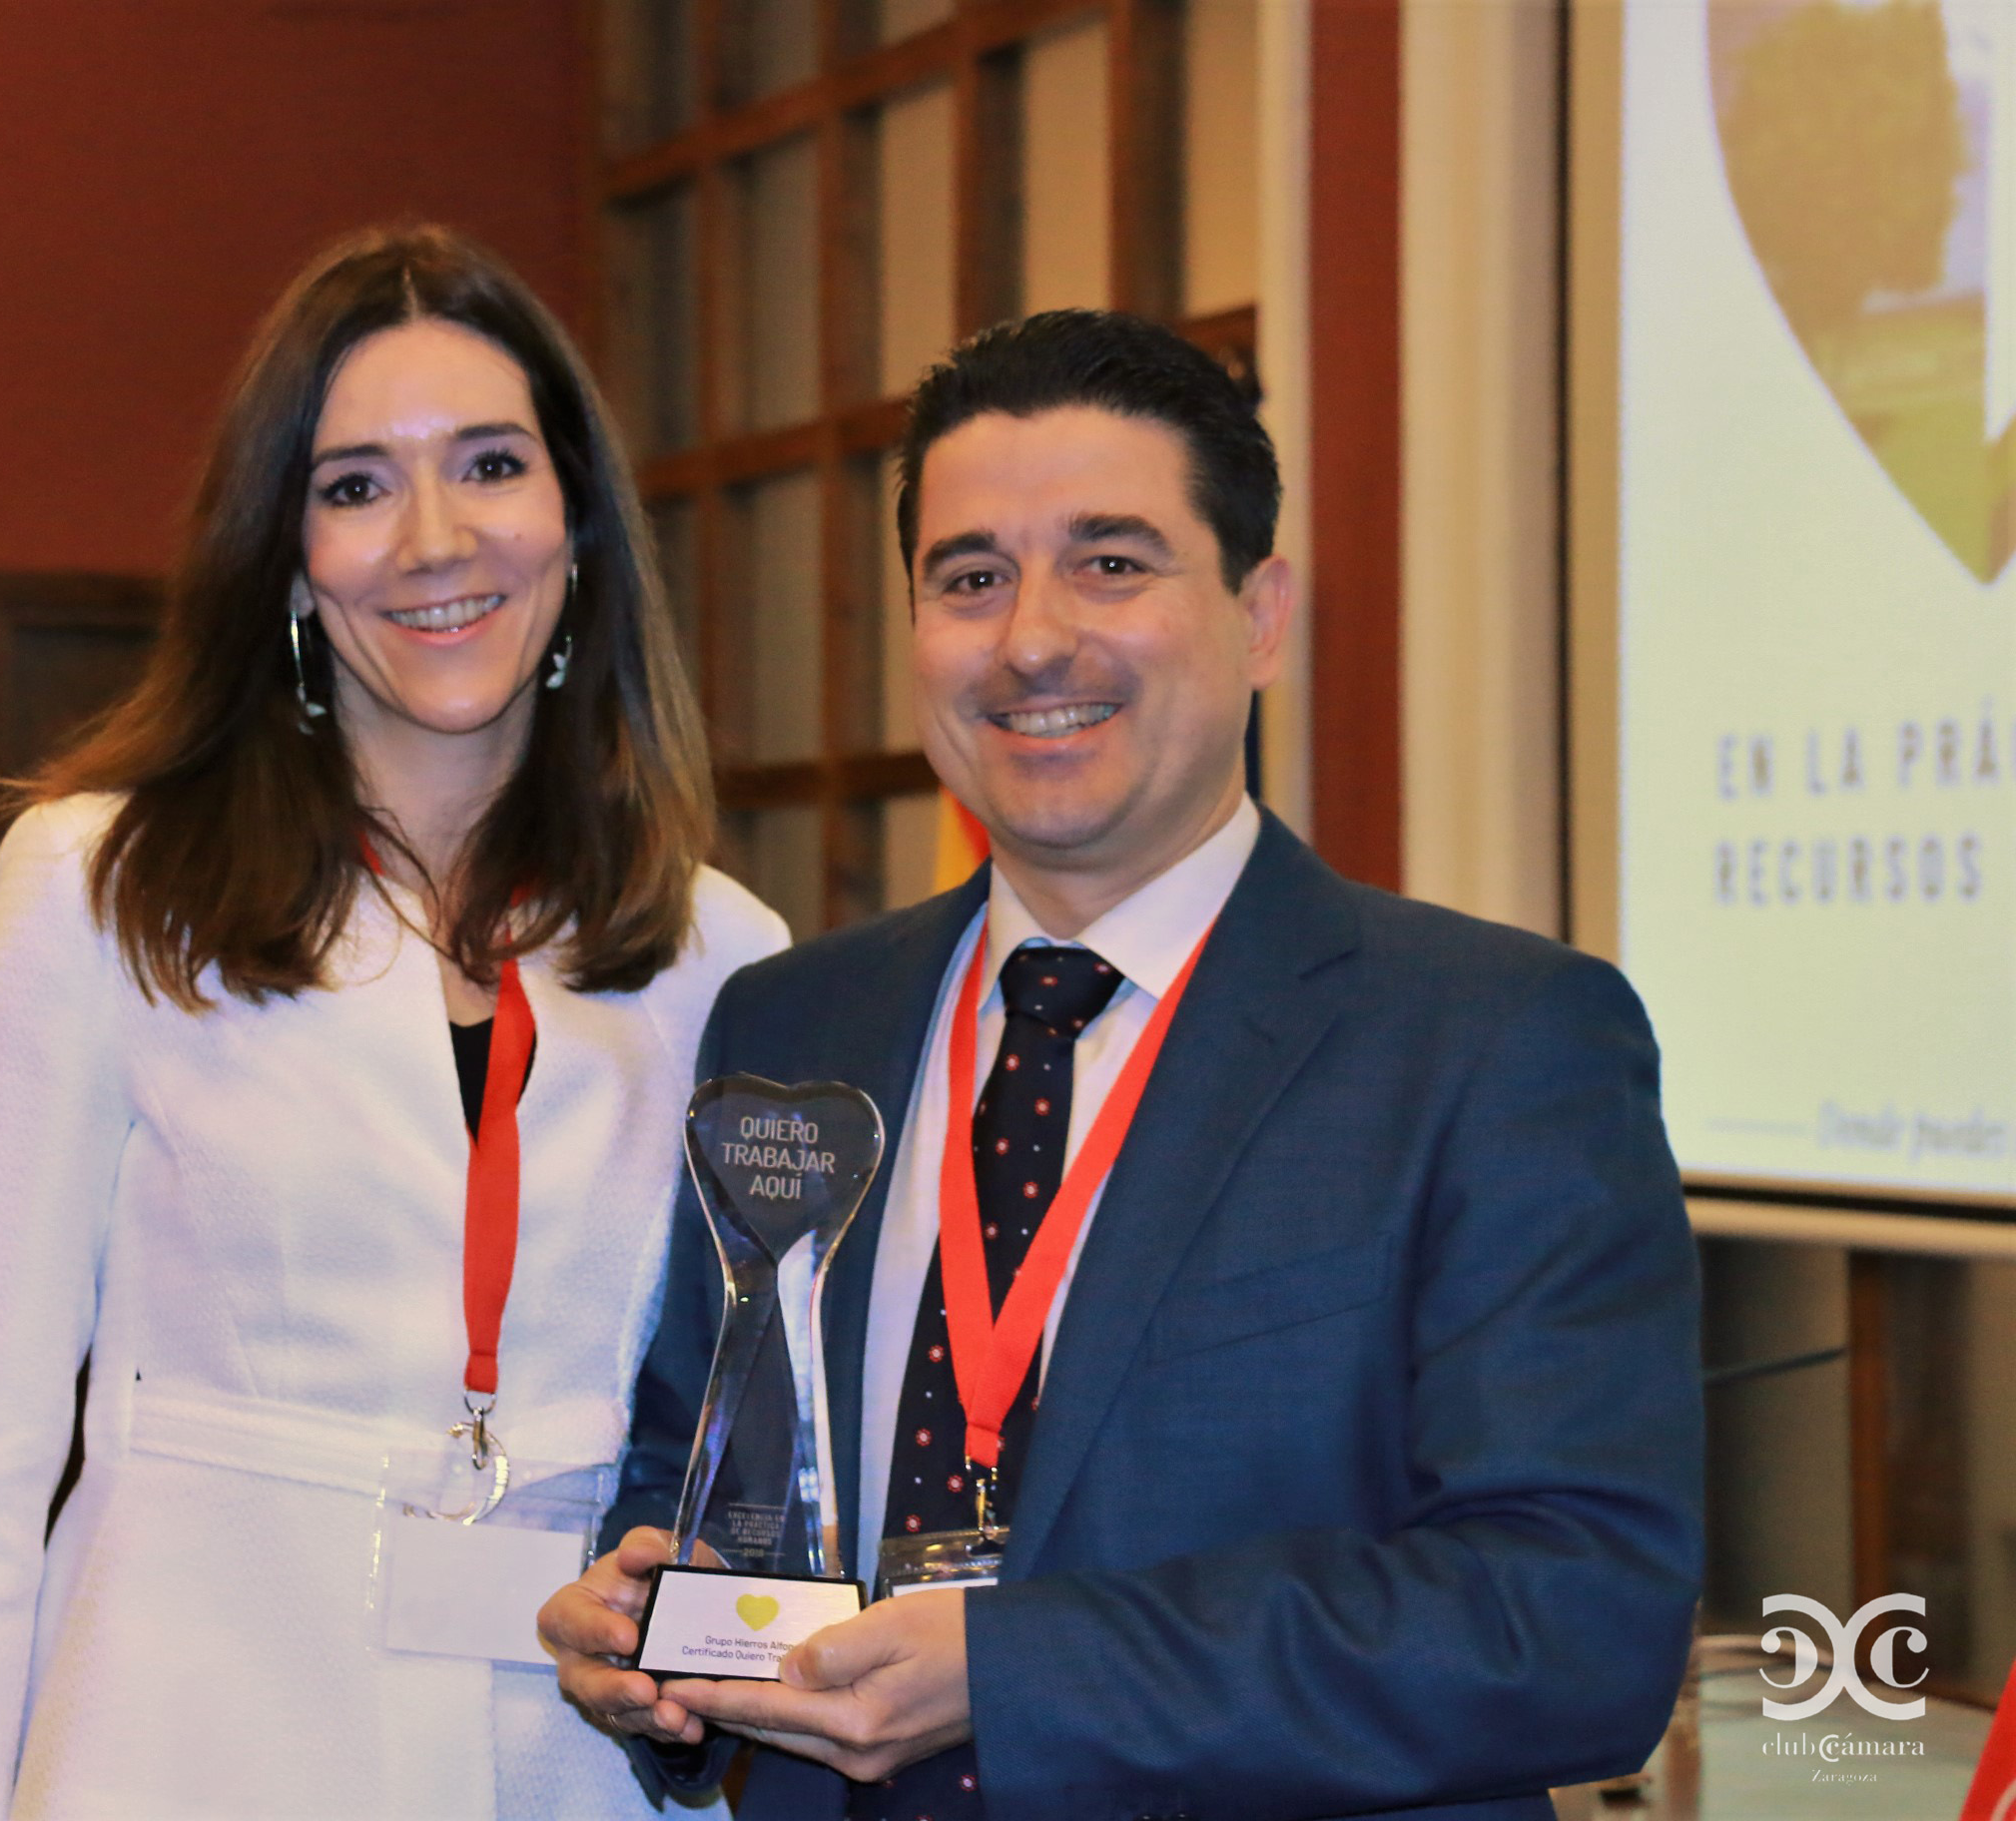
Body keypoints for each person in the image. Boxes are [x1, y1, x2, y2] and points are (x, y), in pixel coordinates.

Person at [542, 309, 1703, 1820]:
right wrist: (650, 1643)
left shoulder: (1493, 1042)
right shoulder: (792, 1024)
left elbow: (1573, 1621)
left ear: (1261, 612)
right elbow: (706, 1460)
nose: (1032, 639)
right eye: (970, 578)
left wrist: (1016, 1672)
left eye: (1112, 563)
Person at [0, 224, 786, 1819]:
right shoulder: (101, 887)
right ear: (287, 558)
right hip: (199, 1738)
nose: (435, 538)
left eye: (491, 465)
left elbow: (739, 1449)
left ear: (576, 522)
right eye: (356, 485)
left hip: (573, 1766)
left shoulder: (724, 951)